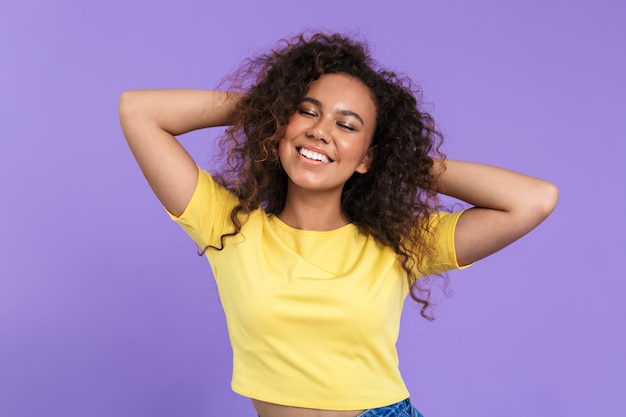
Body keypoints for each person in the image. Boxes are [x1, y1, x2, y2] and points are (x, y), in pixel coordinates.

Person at [119, 33, 558, 417]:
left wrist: (400, 162)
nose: (321, 131)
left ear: (367, 156)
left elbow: (533, 200)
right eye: (308, 112)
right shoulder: (229, 228)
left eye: (347, 125)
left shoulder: (399, 244)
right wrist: (271, 108)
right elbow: (138, 111)